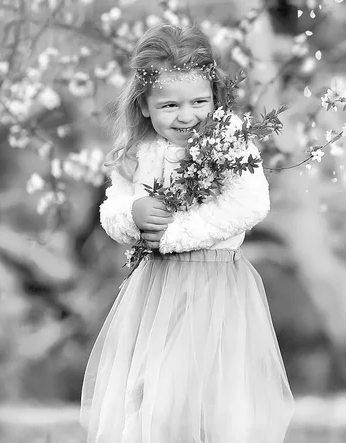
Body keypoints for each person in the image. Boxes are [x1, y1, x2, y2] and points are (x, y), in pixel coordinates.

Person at [80, 23, 294, 443]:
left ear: (215, 97)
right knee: (147, 396)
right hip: (155, 291)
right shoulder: (138, 155)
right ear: (144, 106)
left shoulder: (229, 141)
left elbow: (250, 204)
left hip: (214, 288)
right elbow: (113, 209)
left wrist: (176, 232)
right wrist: (134, 215)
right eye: (170, 105)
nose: (187, 115)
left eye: (199, 101)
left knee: (204, 401)